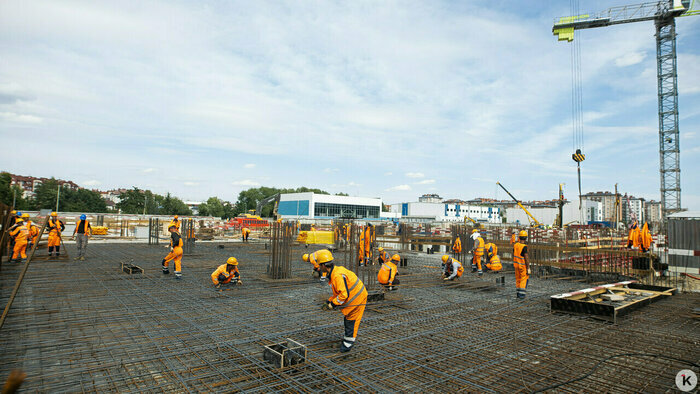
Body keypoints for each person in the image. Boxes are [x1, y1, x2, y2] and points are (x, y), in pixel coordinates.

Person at [318, 250, 367, 353]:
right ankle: (347, 339)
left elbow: (344, 295)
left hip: (358, 297)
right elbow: (338, 292)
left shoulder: (336, 276)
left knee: (351, 321)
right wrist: (329, 301)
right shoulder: (335, 272)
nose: (319, 267)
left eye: (319, 265)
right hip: (355, 294)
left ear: (323, 265)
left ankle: (348, 344)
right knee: (348, 319)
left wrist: (333, 304)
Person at [513, 230, 530, 299]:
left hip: (516, 265)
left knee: (518, 279)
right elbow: (526, 257)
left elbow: (514, 254)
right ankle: (521, 295)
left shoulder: (515, 245)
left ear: (519, 237)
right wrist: (528, 268)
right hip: (522, 266)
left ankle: (518, 294)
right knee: (524, 279)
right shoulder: (524, 247)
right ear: (526, 238)